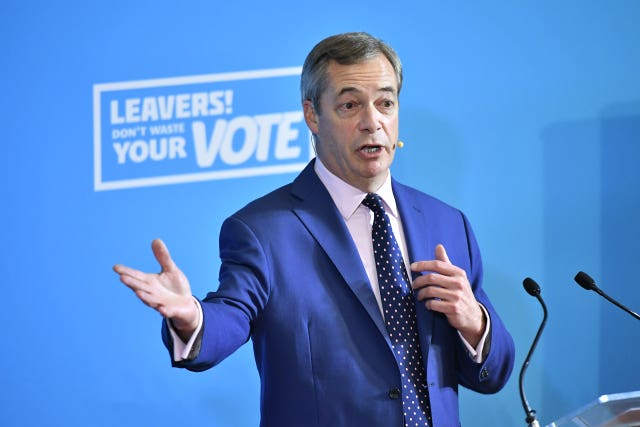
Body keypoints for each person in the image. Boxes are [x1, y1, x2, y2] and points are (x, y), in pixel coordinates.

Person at [114, 32, 515, 427]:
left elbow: (493, 374)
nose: (372, 122)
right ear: (312, 115)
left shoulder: (447, 223)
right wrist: (190, 317)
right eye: (349, 105)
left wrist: (474, 322)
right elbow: (230, 316)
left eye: (385, 103)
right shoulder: (263, 231)